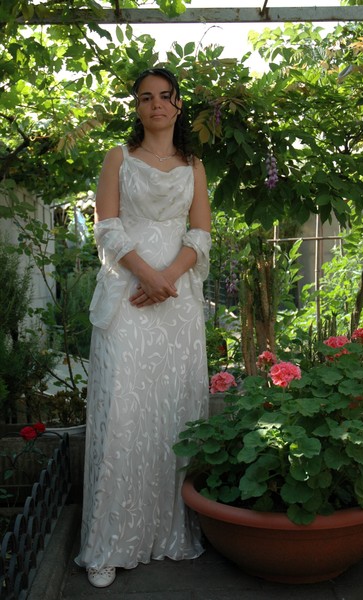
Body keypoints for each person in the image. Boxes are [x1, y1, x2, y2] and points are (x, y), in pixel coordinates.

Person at [75, 67, 212, 588]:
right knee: (122, 411)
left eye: (165, 96)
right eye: (146, 97)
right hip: (127, 295)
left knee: (173, 410)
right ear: (136, 107)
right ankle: (107, 544)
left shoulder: (194, 166)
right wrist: (146, 275)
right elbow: (107, 227)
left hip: (176, 302)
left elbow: (201, 232)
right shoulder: (118, 157)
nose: (156, 104)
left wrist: (168, 278)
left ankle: (166, 533)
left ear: (178, 105)